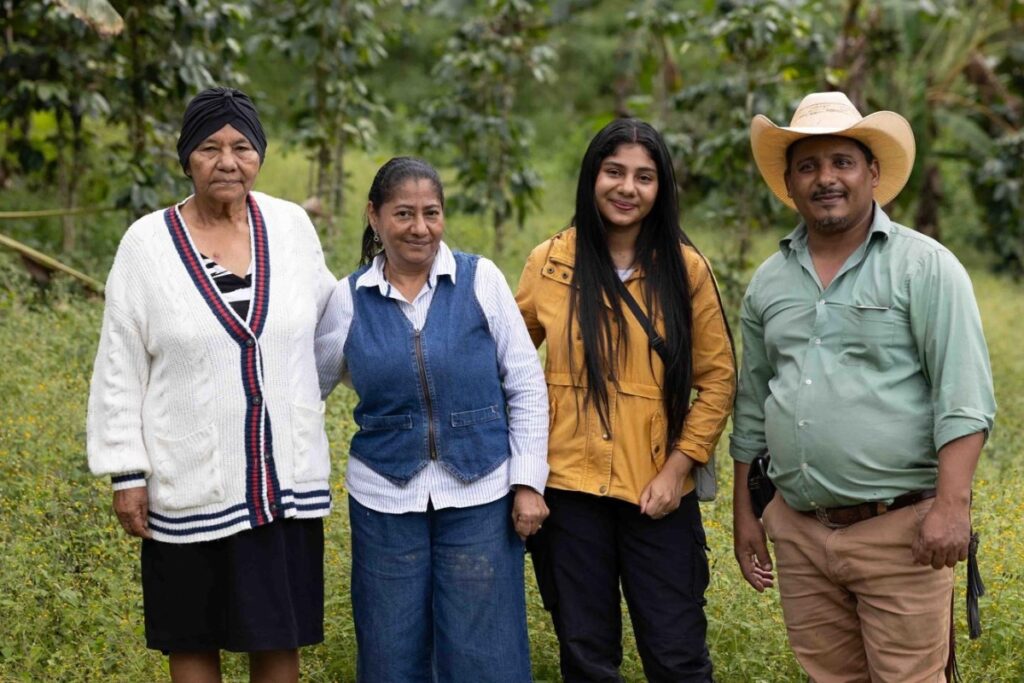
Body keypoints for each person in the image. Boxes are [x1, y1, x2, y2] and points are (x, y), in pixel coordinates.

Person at [731, 91, 997, 682]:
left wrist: (952, 508)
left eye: (842, 162)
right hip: (799, 530)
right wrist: (747, 514)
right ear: (790, 181)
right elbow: (751, 403)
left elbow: (964, 396)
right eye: (808, 165)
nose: (826, 178)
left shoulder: (924, 266)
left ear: (872, 173)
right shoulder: (769, 281)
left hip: (902, 532)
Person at [87, 87, 335, 683]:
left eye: (243, 146)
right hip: (187, 479)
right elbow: (120, 364)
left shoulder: (291, 227)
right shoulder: (146, 245)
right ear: (186, 158)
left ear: (261, 155)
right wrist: (127, 471)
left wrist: (298, 400)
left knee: (279, 634)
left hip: (281, 482)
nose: (228, 161)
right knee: (191, 636)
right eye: (210, 147)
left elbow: (330, 327)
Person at [515, 119, 736, 682]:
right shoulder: (551, 261)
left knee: (678, 655)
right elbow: (509, 367)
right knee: (586, 658)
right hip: (568, 492)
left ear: (661, 189)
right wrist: (522, 474)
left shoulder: (686, 270)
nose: (627, 188)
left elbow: (717, 380)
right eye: (614, 172)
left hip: (656, 492)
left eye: (644, 176)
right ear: (593, 176)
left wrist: (677, 470)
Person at [314, 157, 549, 683]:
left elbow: (526, 383)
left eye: (431, 213)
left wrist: (528, 481)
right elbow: (308, 389)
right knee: (391, 645)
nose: (420, 228)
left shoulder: (480, 279)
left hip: (481, 493)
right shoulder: (347, 299)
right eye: (403, 214)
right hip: (383, 498)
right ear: (374, 217)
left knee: (484, 649)